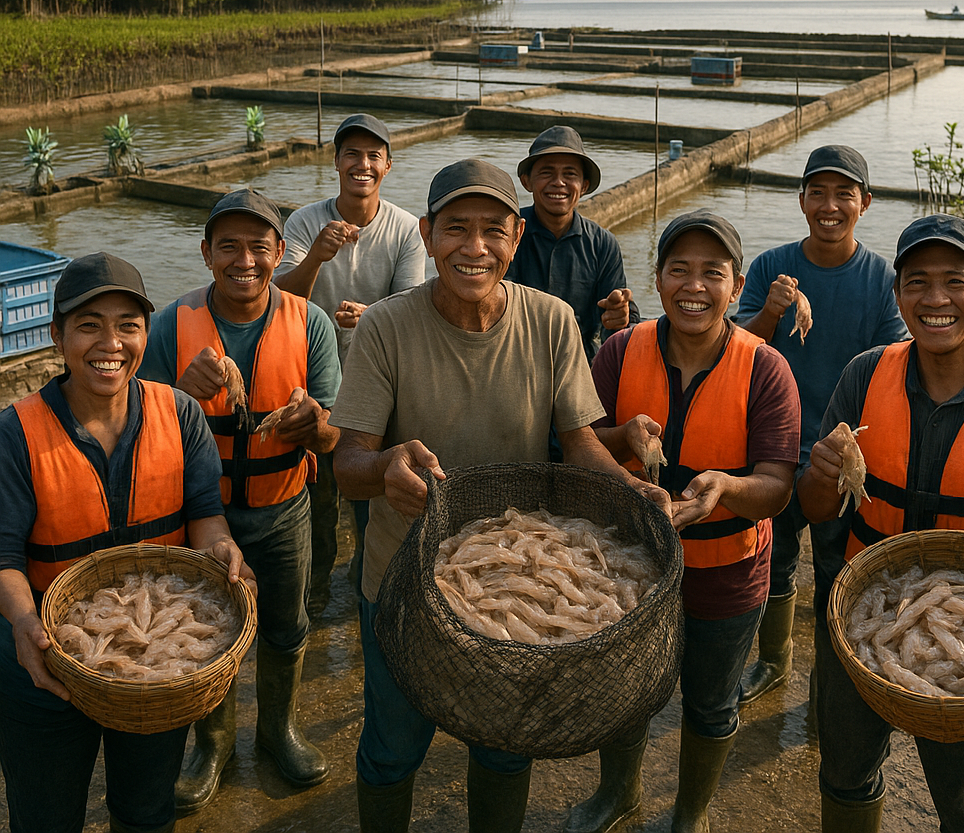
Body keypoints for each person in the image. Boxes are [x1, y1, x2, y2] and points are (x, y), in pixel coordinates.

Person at [331, 158, 665, 833]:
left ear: (515, 238)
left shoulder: (549, 322)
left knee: (507, 749)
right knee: (393, 751)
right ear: (426, 235)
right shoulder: (386, 328)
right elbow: (347, 463)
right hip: (403, 583)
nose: (474, 248)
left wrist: (631, 488)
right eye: (456, 229)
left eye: (492, 231)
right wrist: (386, 464)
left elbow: (579, 444)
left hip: (517, 580)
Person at [0, 252, 254, 833]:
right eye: (88, 324)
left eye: (128, 325)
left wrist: (223, 551)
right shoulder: (15, 433)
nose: (109, 342)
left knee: (146, 810)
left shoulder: (180, 413)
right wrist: (21, 622)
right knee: (44, 816)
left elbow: (206, 517)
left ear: (145, 333)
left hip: (152, 668)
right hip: (44, 653)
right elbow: (4, 558)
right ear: (56, 335)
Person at [564, 209, 800, 833]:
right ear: (659, 278)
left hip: (727, 569)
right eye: (679, 270)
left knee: (711, 701)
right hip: (627, 564)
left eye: (711, 273)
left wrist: (723, 489)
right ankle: (620, 793)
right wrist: (621, 435)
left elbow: (776, 486)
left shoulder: (766, 367)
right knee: (623, 691)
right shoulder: (619, 349)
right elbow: (581, 441)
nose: (694, 286)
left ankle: (690, 813)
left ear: (738, 284)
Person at [797, 214, 964, 833]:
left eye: (956, 281)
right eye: (917, 282)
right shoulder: (865, 375)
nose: (936, 299)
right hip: (860, 617)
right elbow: (819, 510)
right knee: (844, 775)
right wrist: (820, 474)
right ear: (898, 295)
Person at [139, 188, 342, 814]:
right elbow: (137, 425)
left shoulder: (311, 323)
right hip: (200, 514)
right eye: (228, 246)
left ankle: (278, 729)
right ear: (206, 254)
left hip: (284, 508)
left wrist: (315, 426)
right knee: (206, 634)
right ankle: (215, 743)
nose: (244, 260)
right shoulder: (172, 324)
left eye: (259, 246)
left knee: (286, 628)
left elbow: (337, 433)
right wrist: (176, 388)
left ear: (281, 253)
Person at [733, 145, 906, 704]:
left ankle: (829, 679)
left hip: (844, 452)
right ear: (801, 199)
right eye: (818, 193)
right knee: (775, 561)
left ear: (865, 203)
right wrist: (774, 311)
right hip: (776, 445)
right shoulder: (770, 268)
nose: (829, 206)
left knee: (837, 569)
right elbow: (740, 347)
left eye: (844, 194)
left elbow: (899, 361)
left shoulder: (882, 279)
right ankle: (774, 662)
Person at [274, 113, 425, 610]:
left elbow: (412, 305)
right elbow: (279, 302)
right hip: (312, 376)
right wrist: (316, 256)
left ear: (387, 166)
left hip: (376, 379)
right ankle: (313, 591)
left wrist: (373, 317)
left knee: (368, 488)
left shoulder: (405, 229)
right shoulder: (304, 222)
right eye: (352, 155)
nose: (362, 165)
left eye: (373, 156)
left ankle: (368, 578)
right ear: (336, 163)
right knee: (317, 492)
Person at [506, 125, 639, 365]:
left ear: (584, 186)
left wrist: (620, 316)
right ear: (527, 181)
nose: (558, 183)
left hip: (579, 363)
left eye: (570, 174)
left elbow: (617, 316)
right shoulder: (509, 232)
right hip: (515, 359)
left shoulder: (602, 244)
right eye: (547, 173)